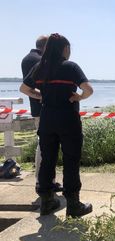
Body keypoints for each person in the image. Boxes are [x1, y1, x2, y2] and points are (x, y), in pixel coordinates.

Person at [20, 33, 93, 217]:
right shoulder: (70, 67)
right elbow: (88, 90)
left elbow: (24, 88)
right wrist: (79, 97)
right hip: (68, 118)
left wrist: (40, 96)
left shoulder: (39, 67)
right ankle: (73, 205)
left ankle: (47, 202)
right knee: (71, 160)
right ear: (64, 49)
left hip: (47, 118)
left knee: (47, 160)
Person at [21, 35, 63, 192]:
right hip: (44, 109)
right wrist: (43, 95)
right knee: (45, 146)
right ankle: (43, 181)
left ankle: (44, 180)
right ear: (47, 47)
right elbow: (30, 87)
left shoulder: (27, 58)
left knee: (44, 144)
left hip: (37, 108)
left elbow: (28, 87)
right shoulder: (38, 61)